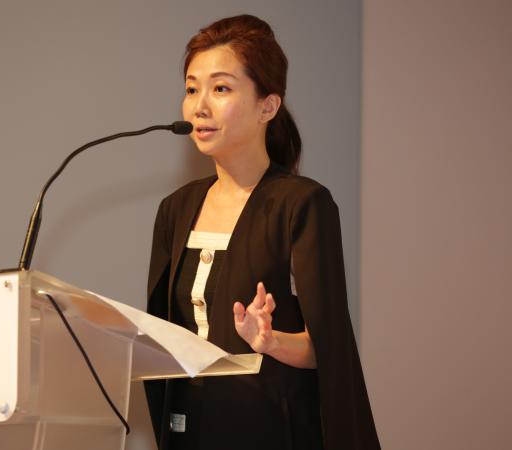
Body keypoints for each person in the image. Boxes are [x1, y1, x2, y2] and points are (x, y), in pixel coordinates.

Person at [144, 15, 381, 450]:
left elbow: (330, 349)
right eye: (192, 89)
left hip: (268, 430)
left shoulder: (302, 204)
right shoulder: (175, 210)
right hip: (187, 430)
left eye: (220, 89)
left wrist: (271, 342)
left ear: (267, 107)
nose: (199, 106)